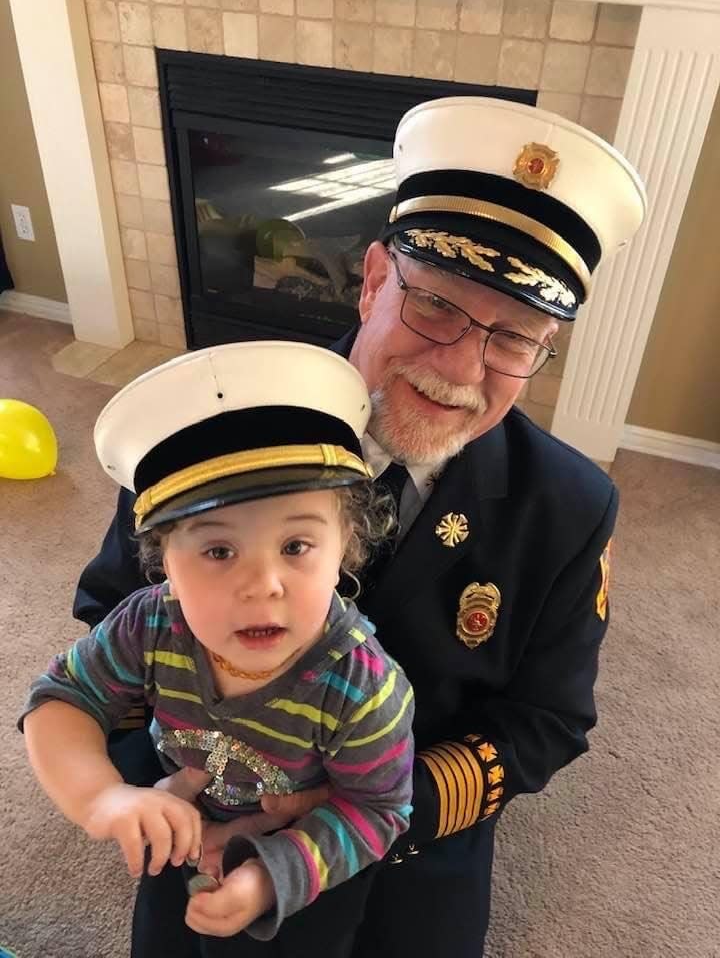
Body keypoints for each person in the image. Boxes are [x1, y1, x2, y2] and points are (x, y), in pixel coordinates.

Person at [72, 97, 647, 956]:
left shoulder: (567, 507)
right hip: (209, 825)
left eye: (515, 339)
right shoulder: (216, 421)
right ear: (376, 277)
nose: (462, 366)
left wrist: (376, 806)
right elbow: (110, 616)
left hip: (407, 858)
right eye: (438, 308)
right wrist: (158, 790)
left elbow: (547, 722)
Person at [21, 341, 415, 953]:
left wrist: (269, 875)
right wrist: (103, 797)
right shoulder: (152, 625)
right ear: (164, 566)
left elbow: (377, 810)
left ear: (346, 548)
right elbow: (62, 697)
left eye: (296, 546)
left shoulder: (363, 688)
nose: (262, 585)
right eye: (218, 551)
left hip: (300, 858)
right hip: (175, 822)